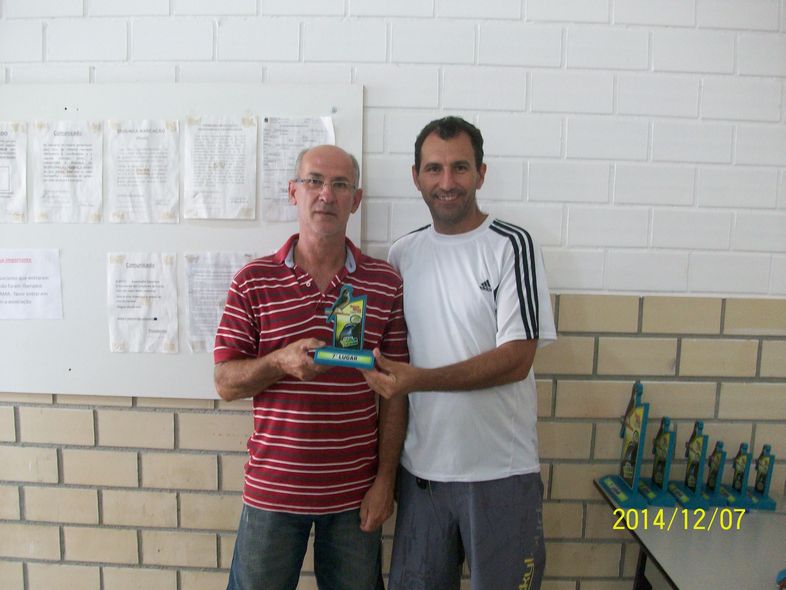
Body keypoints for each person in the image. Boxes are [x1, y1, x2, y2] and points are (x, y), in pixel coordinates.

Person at [362, 117, 556, 590]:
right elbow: (393, 361)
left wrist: (418, 379)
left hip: (500, 475)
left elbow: (517, 358)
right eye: (434, 169)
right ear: (416, 177)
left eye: (460, 168)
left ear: (481, 174)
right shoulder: (402, 254)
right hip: (422, 478)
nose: (446, 182)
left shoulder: (512, 246)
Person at [214, 145, 408, 590]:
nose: (326, 194)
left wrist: (386, 481)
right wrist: (279, 362)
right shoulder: (252, 281)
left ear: (356, 200)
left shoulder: (384, 283)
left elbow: (396, 392)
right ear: (293, 192)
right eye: (314, 181)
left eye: (340, 185)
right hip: (272, 491)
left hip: (355, 495)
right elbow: (225, 382)